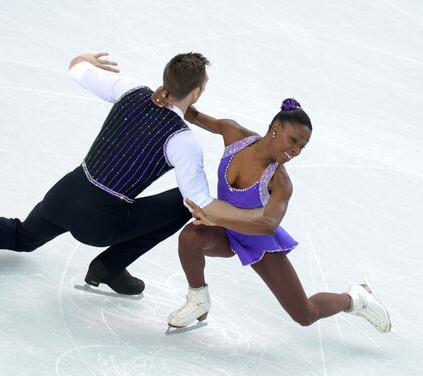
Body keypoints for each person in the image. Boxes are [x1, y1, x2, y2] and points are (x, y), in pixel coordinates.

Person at [0, 51, 260, 296]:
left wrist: (85, 58)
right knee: (183, 208)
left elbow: (77, 68)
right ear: (195, 92)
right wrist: (251, 216)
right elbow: (198, 203)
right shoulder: (183, 141)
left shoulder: (131, 90)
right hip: (100, 220)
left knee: (22, 235)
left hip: (66, 191)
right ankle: (108, 266)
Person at [151, 91, 392, 332]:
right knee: (190, 237)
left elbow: (268, 224)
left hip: (258, 242)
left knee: (305, 315)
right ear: (276, 127)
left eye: (302, 147)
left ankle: (355, 298)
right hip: (223, 232)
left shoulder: (280, 182)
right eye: (294, 140)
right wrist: (168, 97)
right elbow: (192, 114)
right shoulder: (234, 135)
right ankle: (198, 300)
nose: (296, 150)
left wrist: (217, 217)